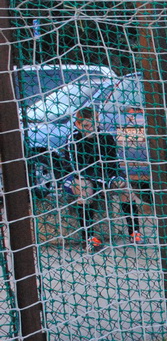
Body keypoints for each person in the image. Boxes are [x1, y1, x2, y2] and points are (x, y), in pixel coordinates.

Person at [62, 107, 145, 253]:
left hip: (103, 177)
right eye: (86, 126)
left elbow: (113, 164)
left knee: (125, 187)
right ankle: (88, 238)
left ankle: (134, 232)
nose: (91, 129)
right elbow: (77, 169)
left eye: (93, 125)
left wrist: (116, 178)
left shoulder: (106, 137)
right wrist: (103, 181)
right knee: (84, 188)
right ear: (78, 125)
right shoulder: (73, 139)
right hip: (77, 178)